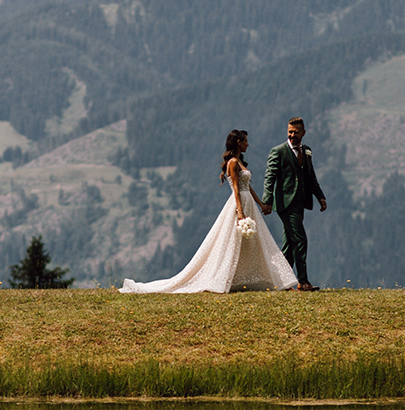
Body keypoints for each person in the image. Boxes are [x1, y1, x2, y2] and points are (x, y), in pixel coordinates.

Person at [120, 130, 298, 293]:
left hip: (248, 202)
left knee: (256, 242)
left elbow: (248, 187)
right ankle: (256, 280)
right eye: (245, 141)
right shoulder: (233, 162)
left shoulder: (240, 162)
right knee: (233, 243)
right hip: (241, 204)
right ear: (238, 142)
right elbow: (236, 189)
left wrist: (260, 204)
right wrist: (240, 212)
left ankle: (275, 281)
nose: (248, 144)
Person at [261, 117, 327, 291]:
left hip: (301, 202)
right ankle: (303, 282)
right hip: (285, 204)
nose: (292, 135)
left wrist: (320, 196)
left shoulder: (307, 151)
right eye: (290, 131)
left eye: (296, 132)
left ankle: (284, 282)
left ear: (303, 133)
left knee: (290, 244)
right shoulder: (278, 151)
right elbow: (270, 178)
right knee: (300, 240)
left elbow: (311, 176)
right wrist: (267, 201)